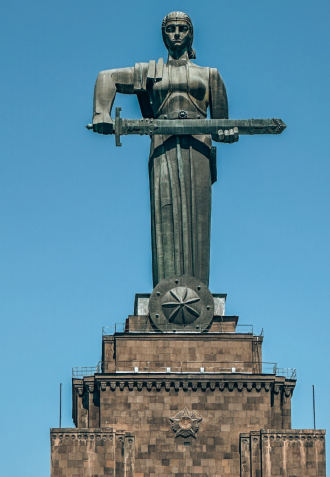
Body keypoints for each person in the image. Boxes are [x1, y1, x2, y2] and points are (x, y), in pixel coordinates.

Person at [91, 12, 239, 288]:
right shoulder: (151, 71)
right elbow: (106, 77)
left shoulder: (210, 75)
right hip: (162, 147)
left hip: (198, 148)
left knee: (198, 220)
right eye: (170, 29)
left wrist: (227, 134)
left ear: (191, 34)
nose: (177, 34)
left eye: (182, 29)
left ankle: (198, 290)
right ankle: (166, 290)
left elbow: (221, 124)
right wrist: (102, 113)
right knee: (165, 214)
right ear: (163, 35)